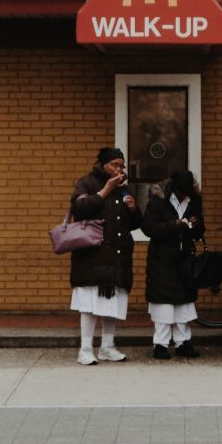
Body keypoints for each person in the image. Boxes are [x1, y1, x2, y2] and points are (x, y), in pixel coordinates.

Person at [68, 147, 139, 366]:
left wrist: (134, 209)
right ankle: (85, 349)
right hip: (93, 257)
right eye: (115, 165)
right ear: (103, 164)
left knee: (112, 304)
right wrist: (104, 191)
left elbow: (136, 224)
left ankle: (107, 347)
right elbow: (78, 209)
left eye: (122, 165)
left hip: (117, 256)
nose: (119, 169)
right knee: (90, 305)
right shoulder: (88, 183)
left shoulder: (123, 188)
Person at [140, 169, 204, 359]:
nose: (184, 195)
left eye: (187, 192)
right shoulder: (159, 200)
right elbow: (148, 228)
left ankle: (183, 343)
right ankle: (160, 344)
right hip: (162, 259)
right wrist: (174, 225)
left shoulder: (194, 201)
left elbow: (201, 230)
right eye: (181, 192)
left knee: (184, 304)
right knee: (163, 305)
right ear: (173, 189)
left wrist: (195, 224)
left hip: (184, 258)